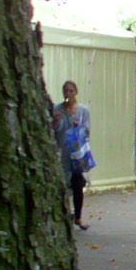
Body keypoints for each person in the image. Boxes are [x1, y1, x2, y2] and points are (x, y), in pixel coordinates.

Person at [52, 80, 94, 231]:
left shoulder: (83, 110)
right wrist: (55, 122)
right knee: (62, 183)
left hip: (76, 152)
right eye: (65, 91)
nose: (68, 94)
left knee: (77, 183)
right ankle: (63, 214)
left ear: (76, 92)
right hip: (62, 151)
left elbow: (87, 131)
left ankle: (78, 217)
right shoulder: (57, 109)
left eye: (71, 91)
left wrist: (79, 127)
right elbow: (53, 131)